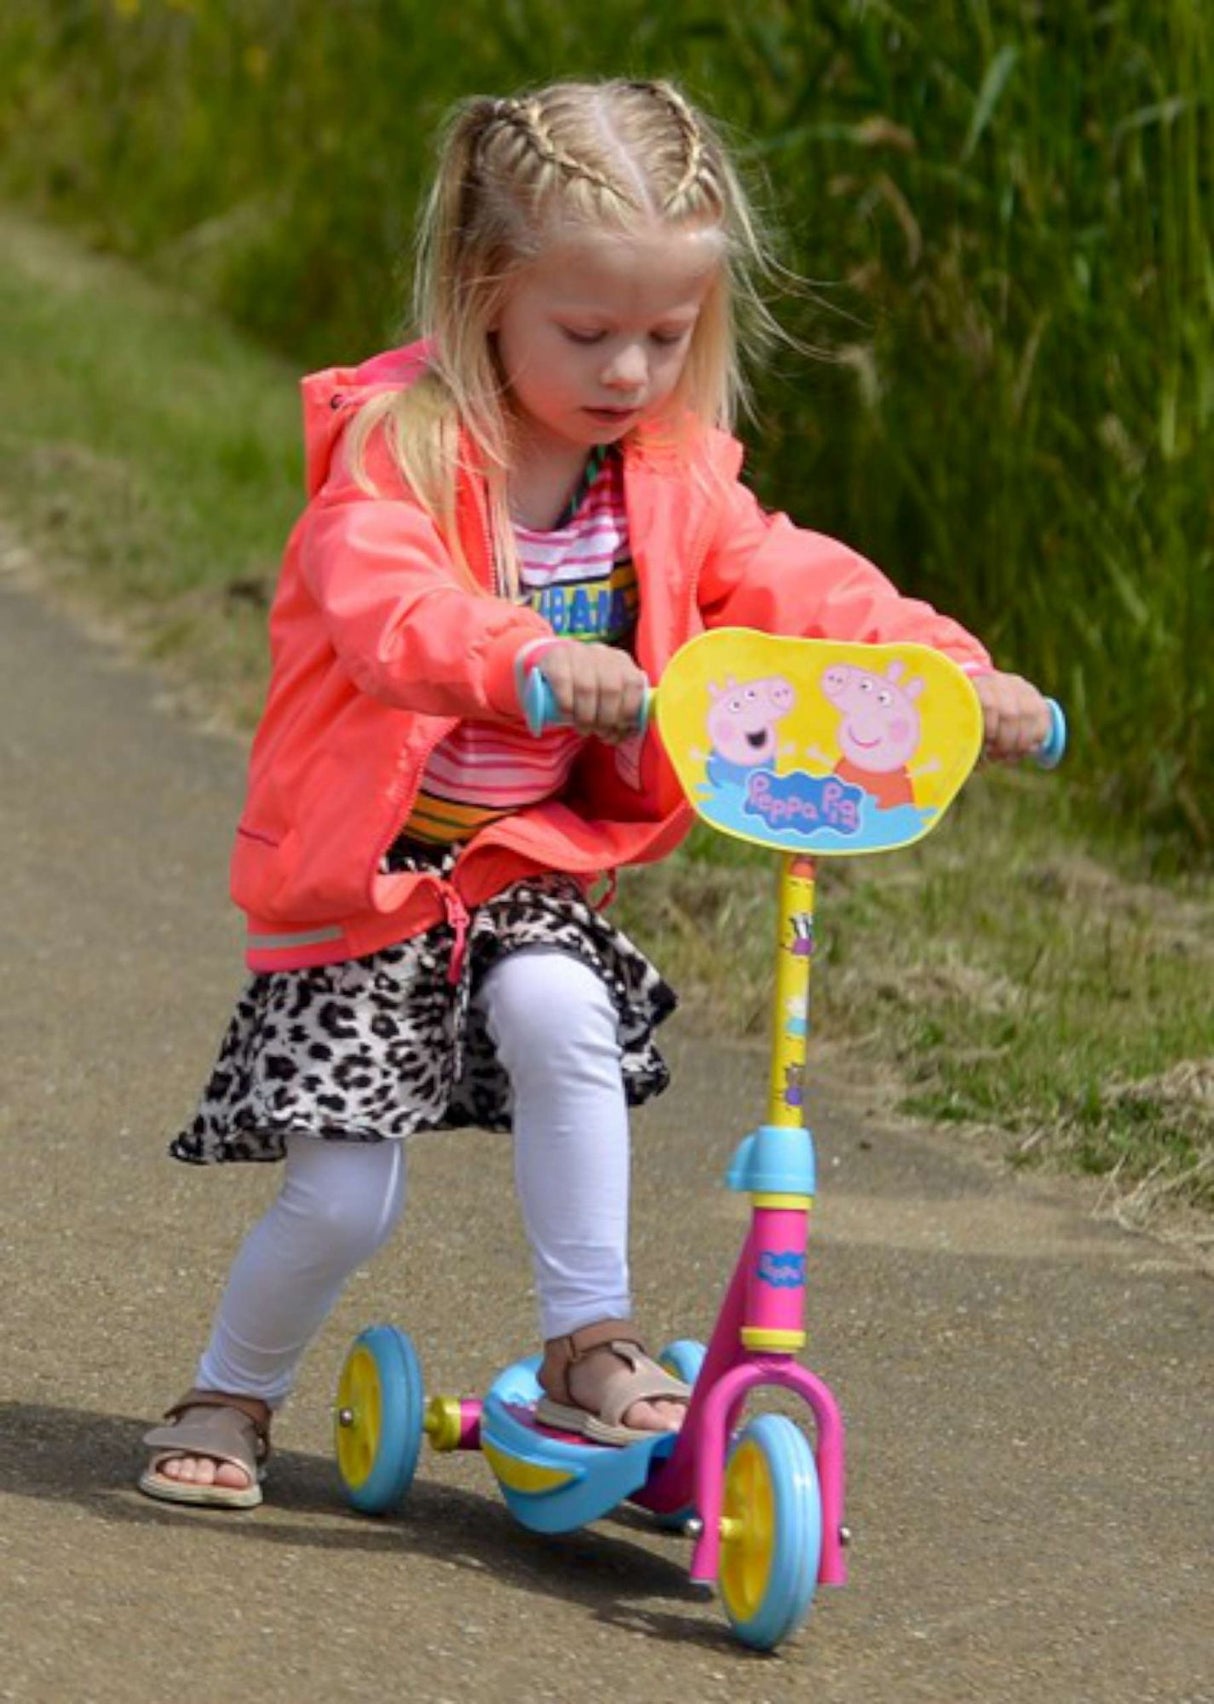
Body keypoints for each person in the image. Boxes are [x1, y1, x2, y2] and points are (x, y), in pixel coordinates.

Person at [139, 77, 1050, 1508]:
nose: (629, 368)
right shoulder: (401, 456)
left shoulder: (669, 480)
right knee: (341, 1194)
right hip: (375, 875)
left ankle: (585, 1338)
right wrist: (530, 660)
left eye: (664, 335)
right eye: (588, 331)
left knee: (564, 1018)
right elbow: (390, 610)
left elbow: (795, 583)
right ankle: (232, 1389)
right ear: (480, 289)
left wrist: (949, 671)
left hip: (527, 867)